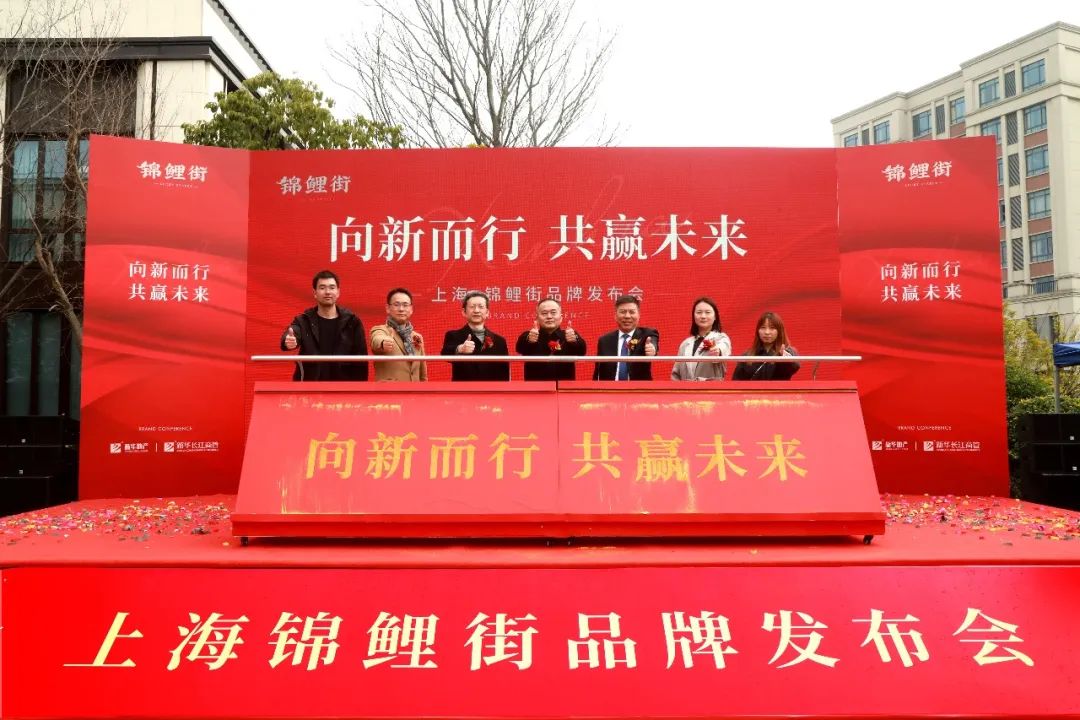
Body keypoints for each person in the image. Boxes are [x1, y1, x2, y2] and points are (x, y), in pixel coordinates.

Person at [280, 270, 368, 381]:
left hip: (343, 387)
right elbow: (292, 333)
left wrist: (360, 389)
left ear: (338, 292)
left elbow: (361, 360)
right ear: (315, 293)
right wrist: (288, 341)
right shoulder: (304, 320)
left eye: (332, 287)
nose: (327, 292)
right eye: (322, 288)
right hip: (310, 386)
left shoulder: (352, 322)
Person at [440, 291, 510, 381]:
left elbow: (504, 373)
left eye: (481, 307)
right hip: (463, 388)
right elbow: (445, 353)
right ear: (464, 312)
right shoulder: (453, 335)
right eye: (472, 307)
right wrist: (460, 349)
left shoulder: (499, 341)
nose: (476, 310)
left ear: (487, 312)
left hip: (492, 389)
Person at [515, 297, 587, 381]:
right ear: (537, 318)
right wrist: (529, 340)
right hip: (535, 386)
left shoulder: (569, 335)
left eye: (553, 313)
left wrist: (575, 340)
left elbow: (582, 351)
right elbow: (519, 348)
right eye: (544, 313)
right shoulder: (529, 335)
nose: (549, 317)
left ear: (561, 317)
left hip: (564, 387)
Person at [593, 295, 659, 381]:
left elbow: (653, 342)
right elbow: (598, 371)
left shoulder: (647, 334)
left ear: (639, 315)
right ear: (615, 315)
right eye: (623, 312)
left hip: (638, 388)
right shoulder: (604, 340)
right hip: (610, 388)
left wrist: (652, 349)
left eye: (632, 312)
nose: (627, 316)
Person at [370, 288, 427, 381]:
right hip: (390, 390)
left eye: (405, 305)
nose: (401, 309)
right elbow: (377, 339)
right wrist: (383, 343)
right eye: (396, 305)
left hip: (415, 390)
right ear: (388, 308)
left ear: (411, 309)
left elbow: (422, 375)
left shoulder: (417, 337)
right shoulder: (380, 330)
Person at [672, 297, 732, 381]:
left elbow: (724, 347)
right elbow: (675, 374)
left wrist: (718, 351)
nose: (703, 316)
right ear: (694, 316)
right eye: (699, 312)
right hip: (685, 389)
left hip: (711, 388)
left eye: (708, 312)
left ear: (715, 316)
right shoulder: (685, 344)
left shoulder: (721, 338)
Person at [732, 310, 800, 381]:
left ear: (779, 331)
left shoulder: (787, 352)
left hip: (778, 388)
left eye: (772, 328)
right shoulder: (747, 355)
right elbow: (736, 382)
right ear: (758, 331)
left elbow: (794, 367)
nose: (767, 332)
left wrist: (784, 358)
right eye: (763, 328)